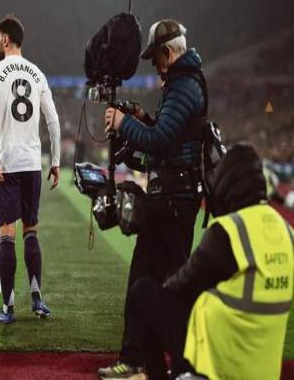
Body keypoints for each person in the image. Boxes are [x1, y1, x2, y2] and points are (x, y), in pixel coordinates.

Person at [101, 143, 294, 380]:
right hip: (264, 371)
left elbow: (182, 285)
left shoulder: (230, 230)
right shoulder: (287, 231)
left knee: (144, 292)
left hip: (219, 365)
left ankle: (162, 373)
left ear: (228, 185)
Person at [101, 19, 207, 378]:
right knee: (154, 282)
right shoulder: (185, 83)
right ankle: (146, 361)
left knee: (155, 282)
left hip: (173, 203)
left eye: (156, 58)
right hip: (174, 200)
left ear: (167, 52)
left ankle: (157, 362)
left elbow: (160, 141)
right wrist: (143, 119)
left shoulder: (183, 86)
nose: (154, 66)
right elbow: (169, 138)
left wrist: (124, 124)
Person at [0, 14, 61, 324]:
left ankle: (8, 307)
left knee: (7, 234)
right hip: (32, 163)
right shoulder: (37, 73)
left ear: (5, 40)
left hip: (7, 163)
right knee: (31, 229)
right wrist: (56, 161)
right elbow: (53, 119)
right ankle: (38, 300)